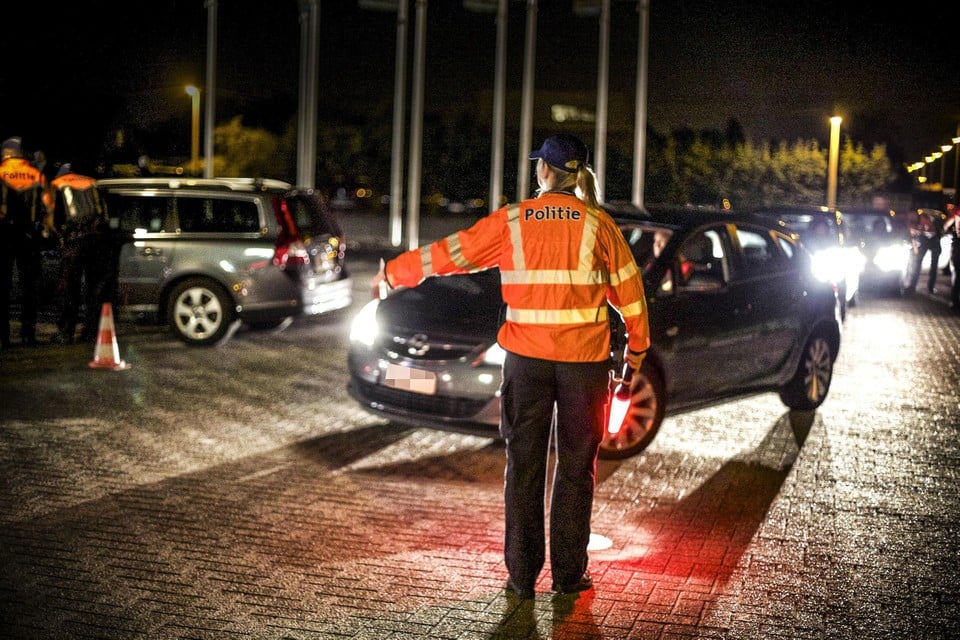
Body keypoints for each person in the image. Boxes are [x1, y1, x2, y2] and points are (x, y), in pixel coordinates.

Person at [371, 134, 650, 599]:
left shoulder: (515, 221)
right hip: (584, 367)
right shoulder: (599, 225)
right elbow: (631, 293)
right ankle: (568, 576)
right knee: (577, 469)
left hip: (526, 365)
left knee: (523, 467)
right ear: (577, 174)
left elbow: (452, 254)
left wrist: (394, 273)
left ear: (544, 172)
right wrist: (636, 351)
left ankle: (521, 579)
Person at [49, 163, 111, 343]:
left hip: (74, 242)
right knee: (93, 289)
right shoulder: (92, 183)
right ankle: (91, 332)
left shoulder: (58, 184)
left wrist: (60, 236)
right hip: (96, 241)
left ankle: (66, 333)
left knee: (68, 289)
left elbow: (51, 219)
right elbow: (104, 215)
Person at [0, 136, 50, 348]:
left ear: (7, 153)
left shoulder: (1, 171)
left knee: (2, 286)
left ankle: (3, 338)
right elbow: (47, 206)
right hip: (29, 235)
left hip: (3, 234)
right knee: (29, 287)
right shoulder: (36, 174)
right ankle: (28, 335)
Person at [906, 209, 944, 294]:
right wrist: (915, 249)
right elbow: (913, 238)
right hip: (925, 239)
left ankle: (930, 287)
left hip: (933, 240)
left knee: (933, 264)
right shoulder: (912, 223)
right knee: (917, 262)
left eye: (912, 215)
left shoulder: (924, 219)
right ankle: (913, 286)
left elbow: (931, 230)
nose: (911, 217)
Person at [943, 202, 960, 312]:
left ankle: (954, 302)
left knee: (957, 273)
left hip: (958, 244)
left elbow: (946, 225)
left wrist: (949, 233)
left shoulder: (957, 210)